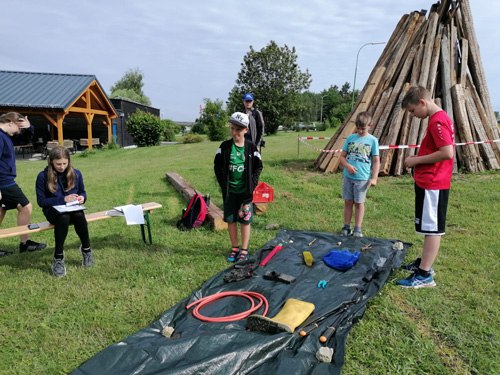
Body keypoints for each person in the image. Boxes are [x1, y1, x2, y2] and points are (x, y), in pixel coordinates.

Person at [397, 86, 454, 288]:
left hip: (434, 183)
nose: (413, 115)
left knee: (432, 230)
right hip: (429, 182)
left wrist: (416, 161)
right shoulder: (436, 119)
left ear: (422, 102)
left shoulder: (438, 121)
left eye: (412, 111)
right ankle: (424, 263)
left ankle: (424, 275)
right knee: (428, 227)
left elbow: (447, 152)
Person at [36, 146, 93, 277]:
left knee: (79, 214)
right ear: (51, 162)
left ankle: (86, 250)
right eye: (58, 164)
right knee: (64, 217)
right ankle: (58, 257)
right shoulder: (42, 176)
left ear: (69, 161)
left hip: (73, 209)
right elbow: (42, 202)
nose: (61, 167)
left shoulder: (76, 173)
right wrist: (63, 199)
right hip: (53, 212)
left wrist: (82, 198)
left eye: (64, 163)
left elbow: (82, 192)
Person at [214, 112, 263, 262]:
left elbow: (258, 166)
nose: (235, 132)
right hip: (230, 193)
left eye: (239, 130)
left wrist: (252, 184)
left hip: (245, 193)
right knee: (231, 219)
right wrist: (224, 183)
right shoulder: (225, 147)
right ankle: (235, 247)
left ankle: (244, 249)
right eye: (233, 129)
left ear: (246, 130)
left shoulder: (251, 147)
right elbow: (217, 165)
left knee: (245, 220)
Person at [0, 112, 46, 253]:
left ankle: (25, 243)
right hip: (4, 181)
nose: (19, 131)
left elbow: (25, 138)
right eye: (18, 127)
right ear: (10, 123)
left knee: (1, 210)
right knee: (25, 207)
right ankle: (25, 244)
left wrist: (29, 127)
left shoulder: (6, 136)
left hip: (5, 180)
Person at [339, 111, 380, 238]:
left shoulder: (373, 141)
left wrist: (374, 178)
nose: (360, 131)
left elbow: (376, 160)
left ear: (370, 125)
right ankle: (346, 227)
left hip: (362, 179)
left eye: (363, 128)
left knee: (359, 203)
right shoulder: (351, 138)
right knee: (348, 202)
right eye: (358, 128)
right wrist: (348, 166)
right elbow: (342, 157)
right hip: (348, 177)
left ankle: (357, 229)